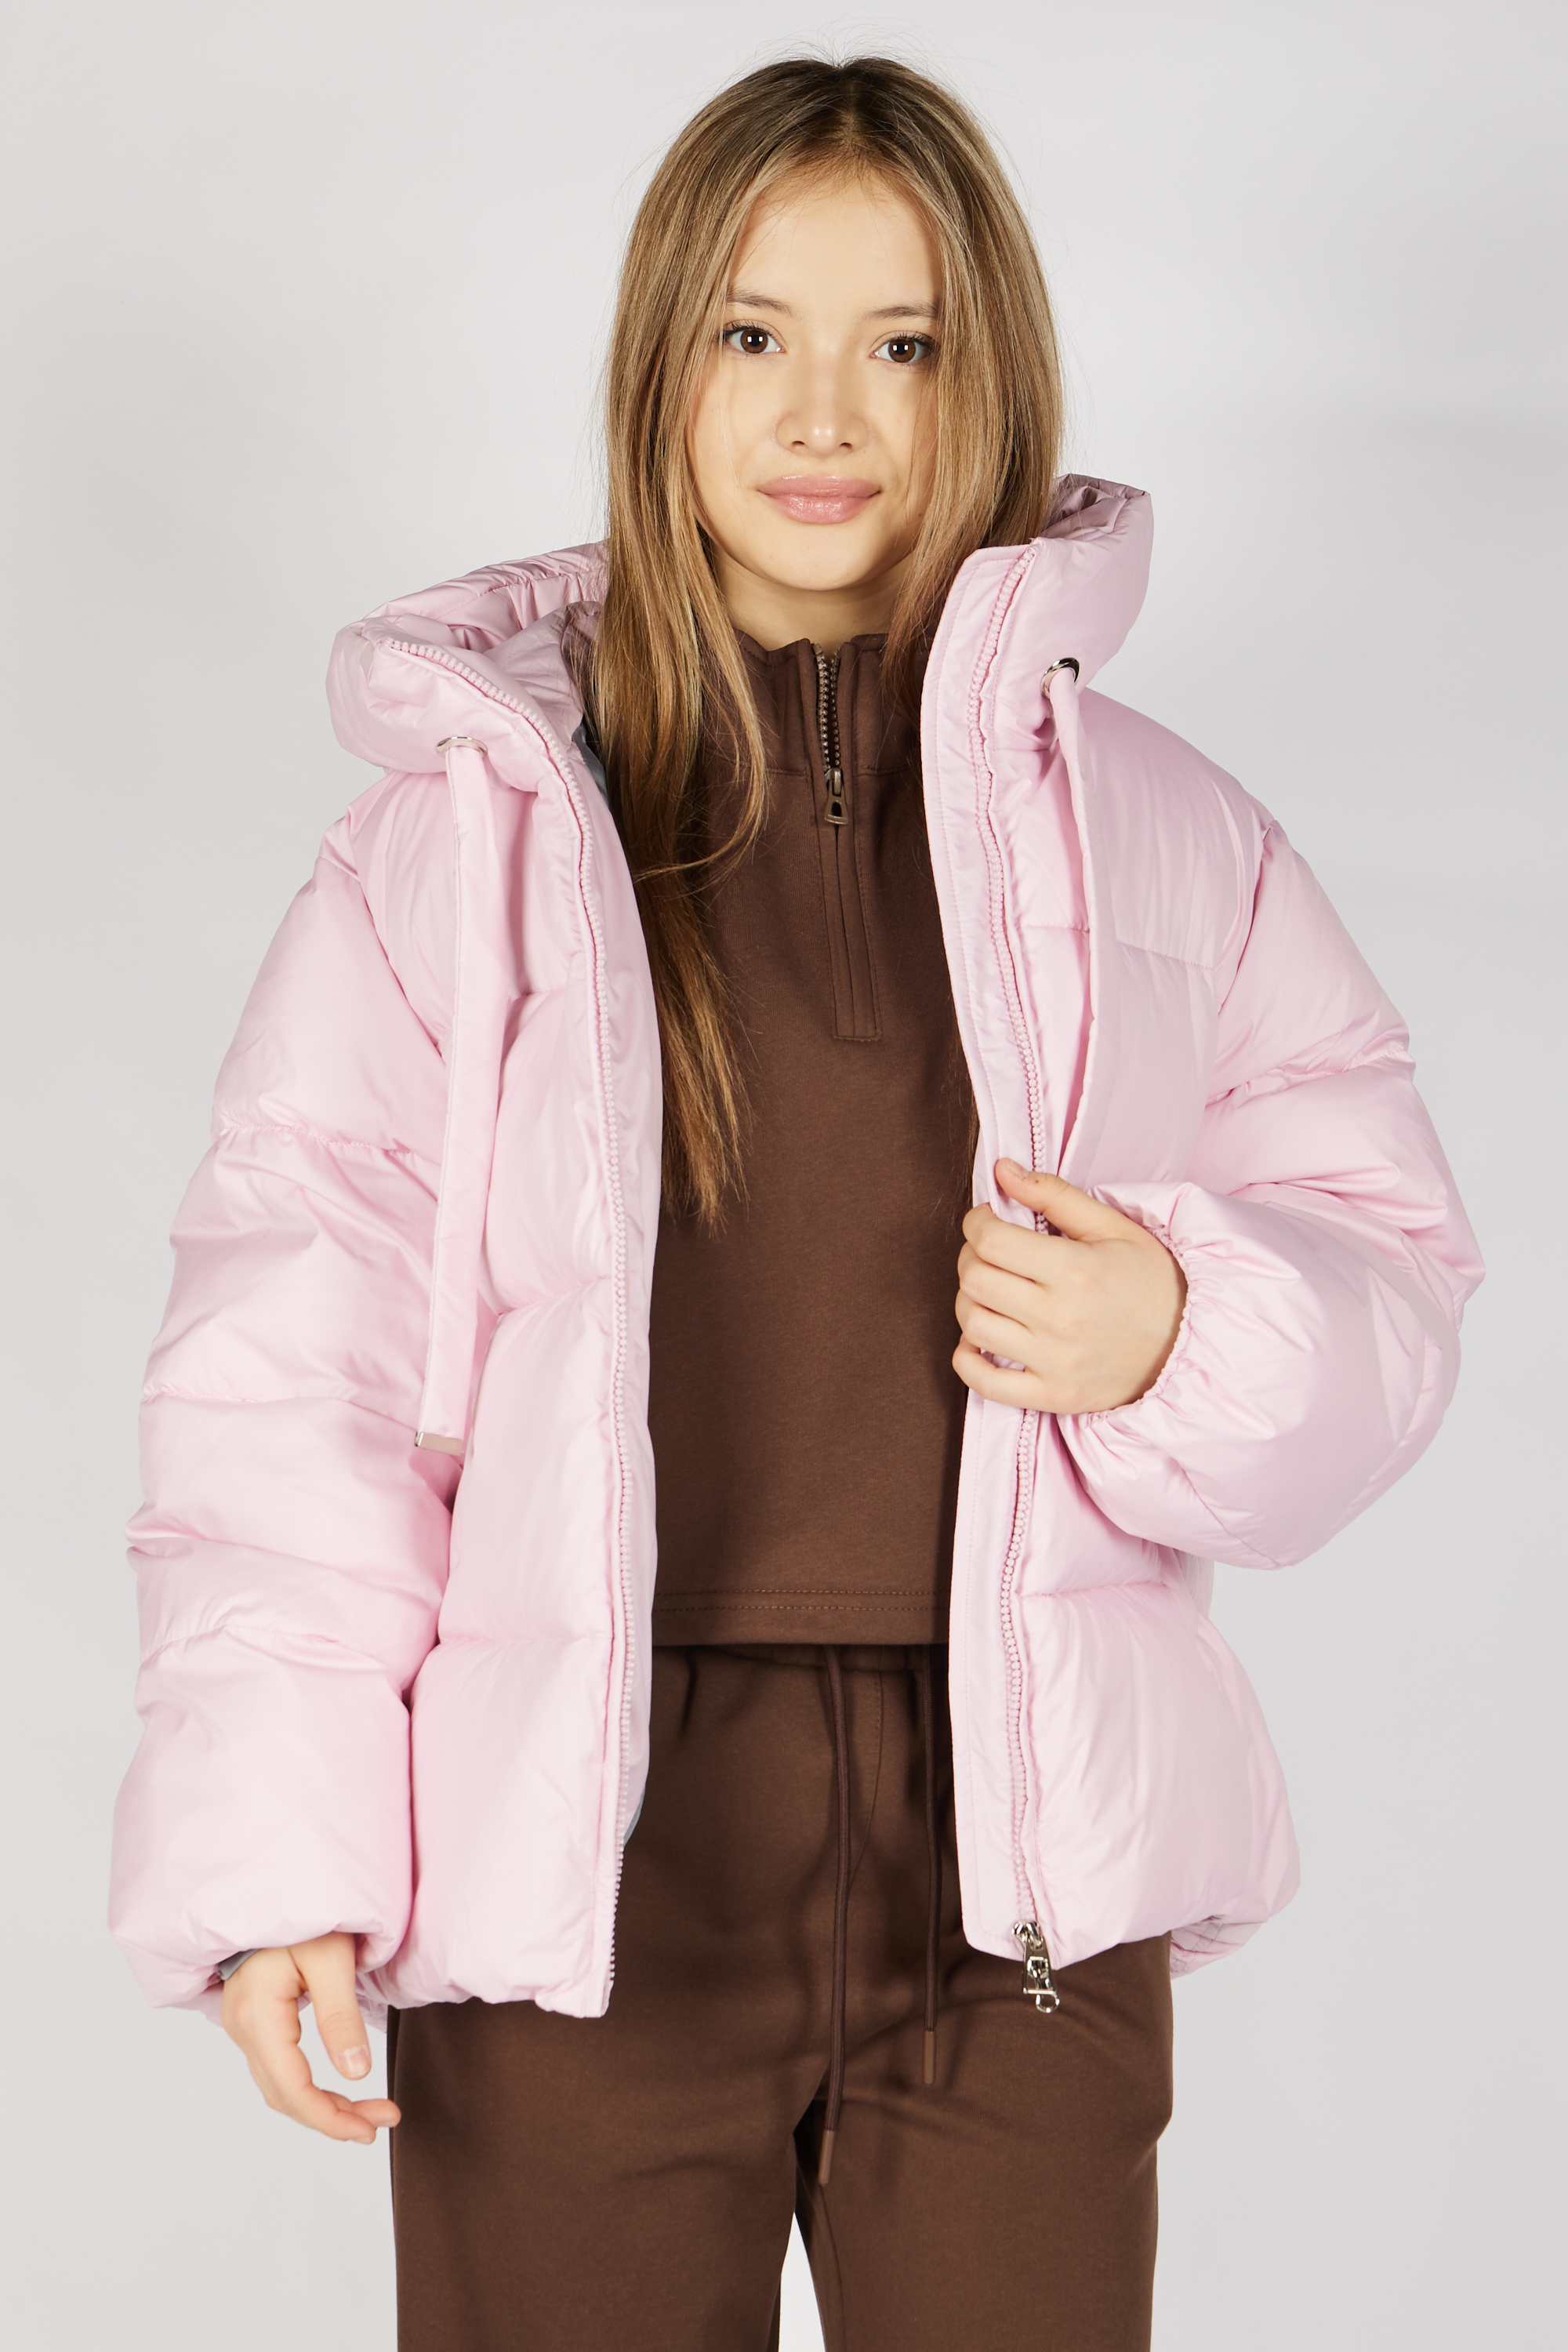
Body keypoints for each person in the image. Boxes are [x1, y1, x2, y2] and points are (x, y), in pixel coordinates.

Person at [109, 53, 1481, 2352]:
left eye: (903, 342)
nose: (824, 412)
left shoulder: (1169, 838)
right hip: (588, 1858)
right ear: (661, 362)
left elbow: (1392, 1270)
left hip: (1021, 1861)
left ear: (988, 375)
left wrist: (1187, 1327)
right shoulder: (462, 850)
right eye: (753, 332)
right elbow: (285, 1383)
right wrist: (278, 1858)